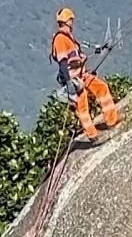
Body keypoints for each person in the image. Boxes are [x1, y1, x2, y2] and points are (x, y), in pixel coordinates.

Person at [50, 7, 121, 140]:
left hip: (83, 75)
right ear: (67, 21)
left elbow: (76, 55)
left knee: (102, 88)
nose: (72, 23)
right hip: (75, 79)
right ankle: (92, 135)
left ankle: (112, 120)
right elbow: (63, 63)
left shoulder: (69, 38)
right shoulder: (60, 39)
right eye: (71, 20)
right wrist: (69, 82)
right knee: (82, 105)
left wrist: (98, 49)